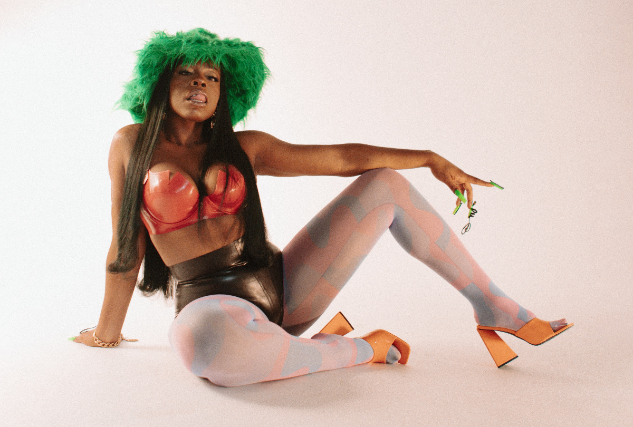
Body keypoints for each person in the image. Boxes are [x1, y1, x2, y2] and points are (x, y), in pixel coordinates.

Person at [71, 29, 572, 386]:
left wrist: (429, 158)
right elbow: (125, 245)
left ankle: (494, 306)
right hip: (210, 306)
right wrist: (106, 334)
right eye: (186, 73)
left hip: (284, 289)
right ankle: (357, 348)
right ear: (161, 82)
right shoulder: (130, 143)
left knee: (385, 184)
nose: (199, 83)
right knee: (201, 345)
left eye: (211, 77)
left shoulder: (246, 147)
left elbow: (342, 159)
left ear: (226, 93)